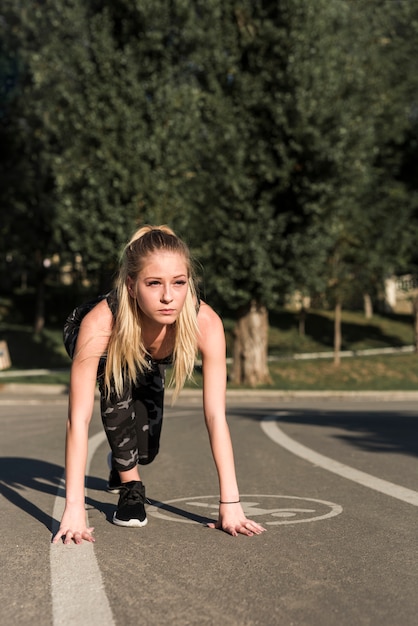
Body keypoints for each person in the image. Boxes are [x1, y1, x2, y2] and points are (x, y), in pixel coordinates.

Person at [52, 225, 266, 544]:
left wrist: (231, 504)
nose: (168, 296)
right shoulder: (100, 323)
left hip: (149, 353)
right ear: (132, 285)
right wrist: (74, 508)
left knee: (146, 449)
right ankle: (131, 487)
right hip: (112, 345)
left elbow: (215, 416)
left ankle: (122, 461)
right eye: (154, 283)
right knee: (116, 391)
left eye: (178, 283)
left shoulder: (205, 323)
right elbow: (77, 420)